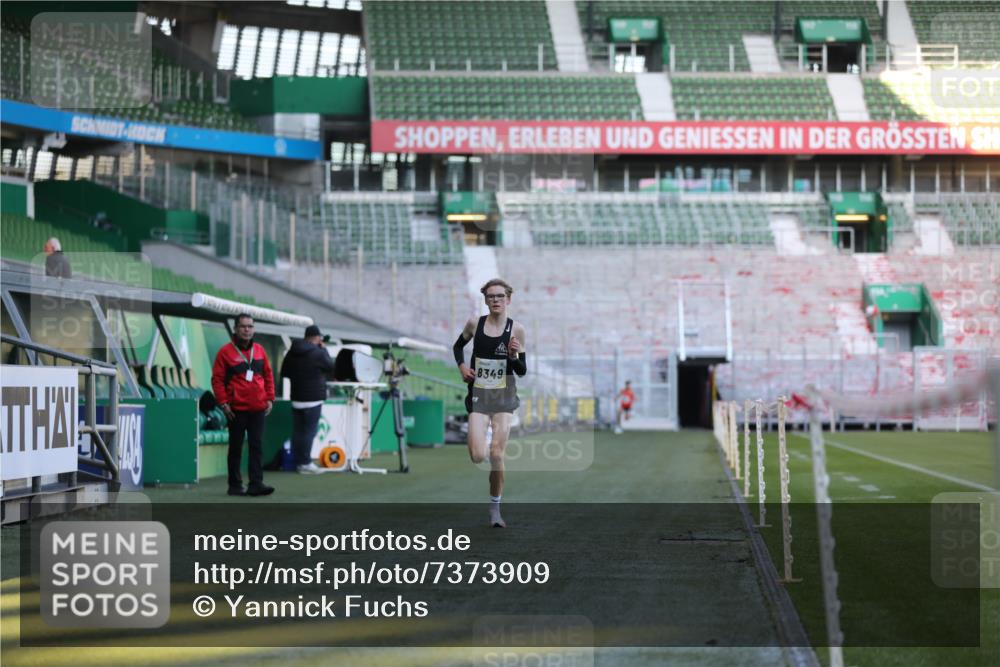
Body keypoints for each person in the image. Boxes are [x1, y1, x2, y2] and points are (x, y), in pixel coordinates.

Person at [453, 278, 527, 528]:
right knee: (477, 456)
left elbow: (522, 370)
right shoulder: (475, 323)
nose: (495, 300)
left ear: (508, 299)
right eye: (491, 296)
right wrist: (462, 366)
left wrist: (514, 356)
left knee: (497, 454)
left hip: (504, 397)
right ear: (485, 300)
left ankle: (495, 508)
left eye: (500, 296)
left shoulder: (517, 329)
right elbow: (457, 346)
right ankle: (482, 439)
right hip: (479, 396)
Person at [211, 313, 275, 496]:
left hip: (258, 408)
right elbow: (217, 380)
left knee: (256, 446)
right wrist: (224, 404)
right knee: (236, 447)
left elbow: (268, 375)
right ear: (235, 329)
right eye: (243, 326)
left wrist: (270, 398)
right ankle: (235, 485)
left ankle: (256, 483)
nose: (247, 330)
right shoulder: (225, 352)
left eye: (250, 326)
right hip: (236, 410)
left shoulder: (260, 351)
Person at [280, 324, 336, 474]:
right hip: (313, 398)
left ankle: (298, 462)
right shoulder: (318, 352)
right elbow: (331, 367)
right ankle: (305, 463)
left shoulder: (292, 352)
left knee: (298, 431)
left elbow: (284, 372)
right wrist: (323, 349)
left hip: (296, 397)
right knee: (309, 432)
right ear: (317, 338)